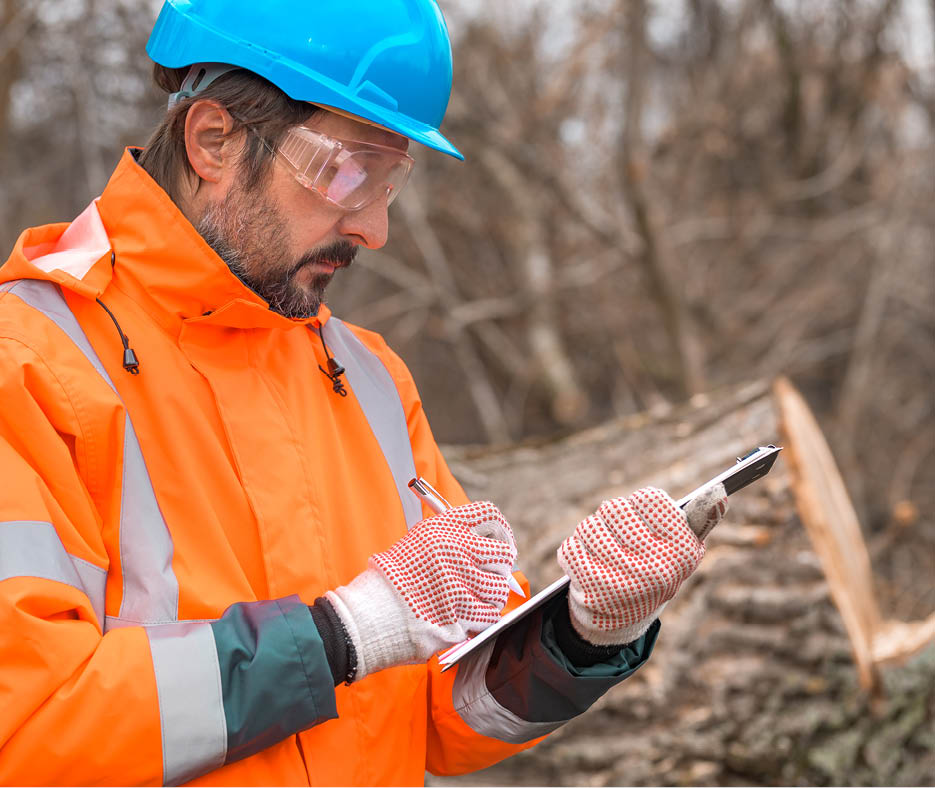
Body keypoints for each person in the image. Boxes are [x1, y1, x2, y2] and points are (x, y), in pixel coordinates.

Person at [0, 1, 729, 784]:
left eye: (391, 179)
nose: (374, 228)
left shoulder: (370, 378)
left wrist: (580, 632)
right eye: (347, 170)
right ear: (213, 140)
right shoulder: (29, 365)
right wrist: (343, 636)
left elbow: (445, 716)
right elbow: (29, 729)